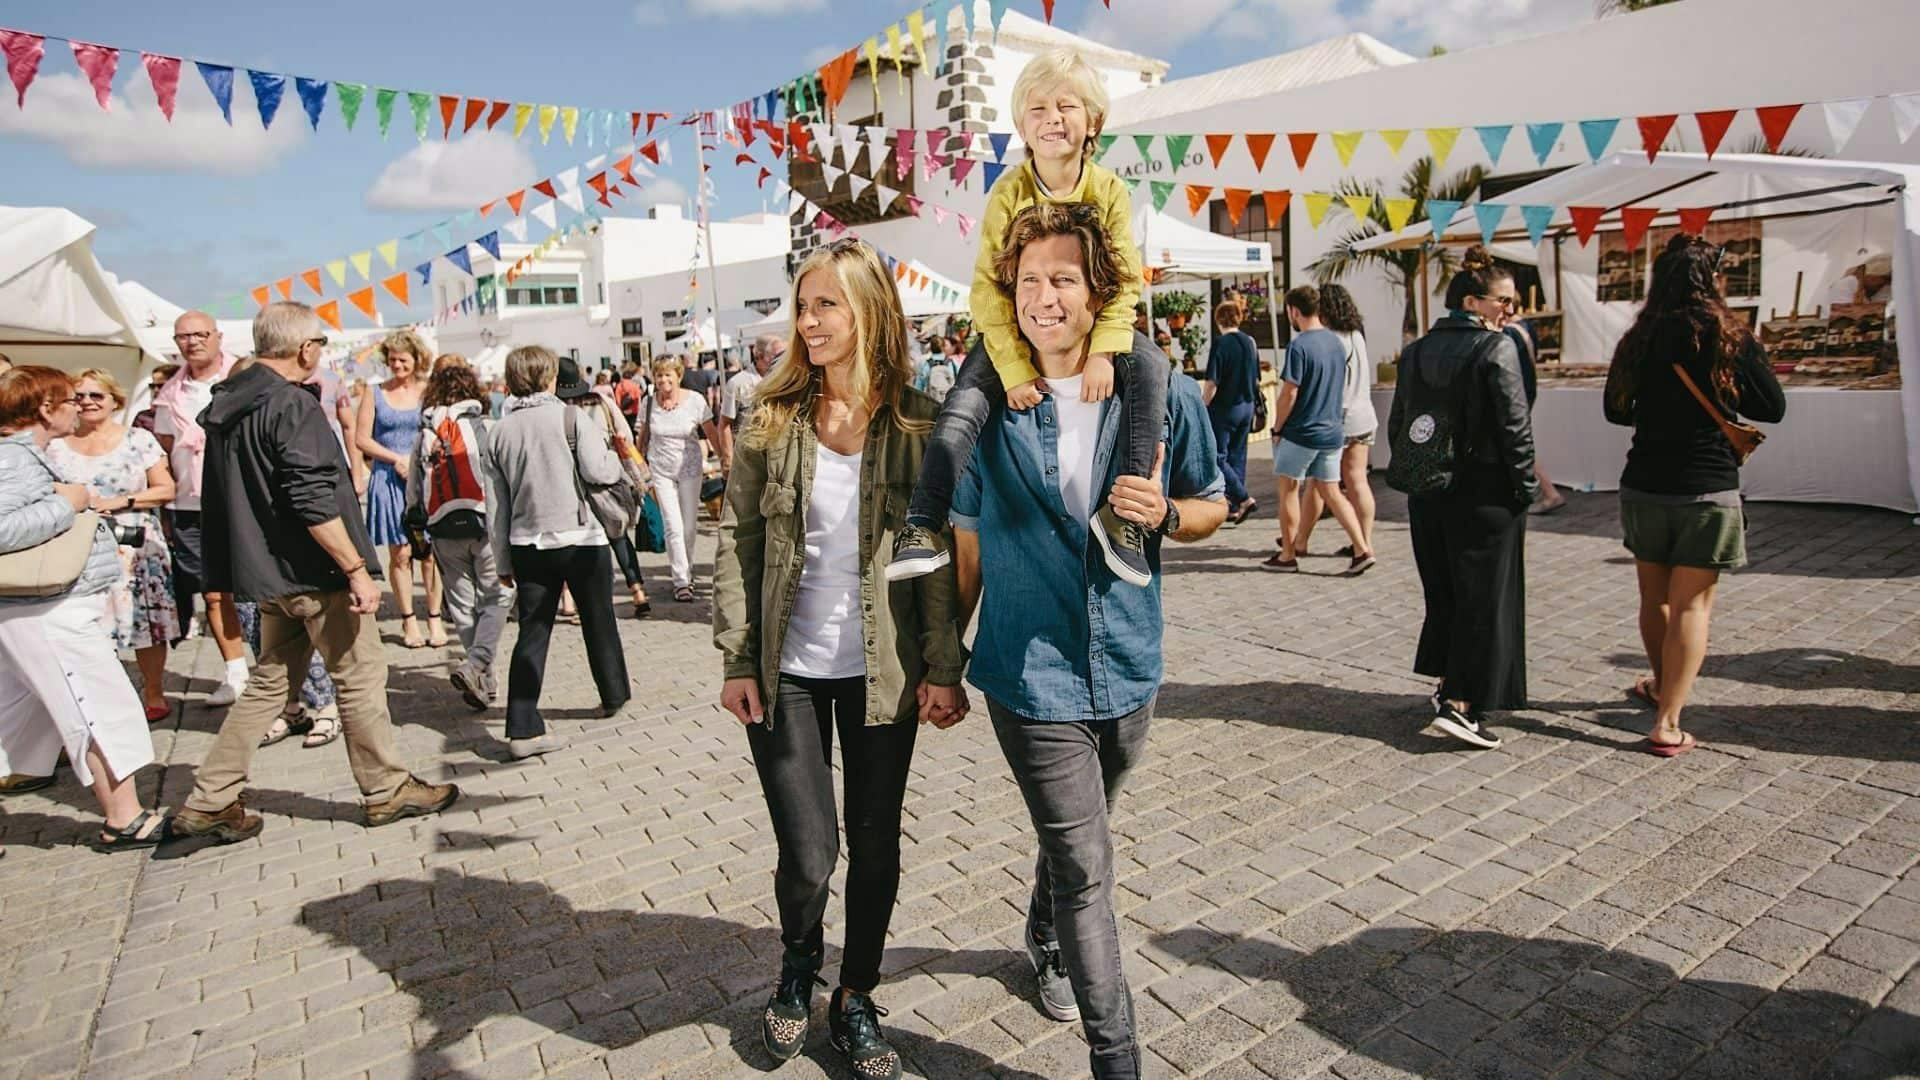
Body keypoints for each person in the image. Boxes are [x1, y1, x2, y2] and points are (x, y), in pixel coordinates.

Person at [951, 204, 1227, 1079]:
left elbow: (1214, 504)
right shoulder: (988, 403)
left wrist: (1172, 515)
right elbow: (964, 543)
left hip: (1131, 665)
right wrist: (938, 664)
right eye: (1028, 281)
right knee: (1088, 867)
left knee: (1084, 835)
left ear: (1098, 290)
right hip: (1027, 675)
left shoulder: (1160, 393)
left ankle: (1043, 920)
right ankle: (1118, 1059)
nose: (1043, 297)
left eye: (1062, 278)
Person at [714, 238, 966, 1079]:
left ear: (869, 313)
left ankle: (855, 994)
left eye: (828, 305)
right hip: (786, 666)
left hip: (883, 671)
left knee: (877, 844)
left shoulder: (918, 421)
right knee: (810, 852)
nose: (810, 321)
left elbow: (929, 559)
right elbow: (739, 539)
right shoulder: (769, 416)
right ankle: (797, 967)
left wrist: (943, 665)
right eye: (803, 305)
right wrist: (738, 657)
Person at [168, 303, 460, 842]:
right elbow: (310, 498)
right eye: (319, 347)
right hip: (312, 570)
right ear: (305, 349)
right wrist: (353, 567)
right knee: (360, 676)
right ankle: (386, 788)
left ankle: (210, 797)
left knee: (270, 683)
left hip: (267, 572)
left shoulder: (231, 402)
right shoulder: (287, 405)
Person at [889, 48, 1159, 589]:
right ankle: (922, 521)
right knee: (963, 403)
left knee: (1151, 367)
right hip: (1012, 331)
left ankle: (1124, 519)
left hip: (1097, 323)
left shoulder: (1108, 190)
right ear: (1021, 125)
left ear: (1093, 122)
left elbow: (1127, 278)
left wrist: (1106, 350)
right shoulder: (1007, 191)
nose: (1052, 118)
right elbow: (988, 286)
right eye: (1037, 109)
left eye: (1066, 106)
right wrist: (1011, 367)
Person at [1604, 235, 1786, 757]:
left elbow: (1616, 411)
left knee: (1654, 599)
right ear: (1714, 281)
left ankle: (1662, 687)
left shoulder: (1638, 337)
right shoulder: (1730, 336)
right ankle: (1667, 720)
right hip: (1706, 485)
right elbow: (1771, 408)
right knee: (1692, 606)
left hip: (1644, 483)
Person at [0, 366, 167, 851]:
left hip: (46, 606)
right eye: (70, 399)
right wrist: (67, 505)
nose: (79, 406)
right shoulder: (13, 459)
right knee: (93, 705)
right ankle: (124, 818)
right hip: (46, 611)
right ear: (45, 408)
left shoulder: (23, 456)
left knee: (38, 712)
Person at [1390, 246, 1539, 751]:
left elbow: (1400, 425)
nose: (1510, 312)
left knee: (1446, 592)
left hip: (1428, 490)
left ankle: (1445, 683)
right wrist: (1526, 488)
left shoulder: (1415, 352)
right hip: (1485, 492)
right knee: (1484, 598)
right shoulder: (1497, 349)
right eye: (1504, 301)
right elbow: (1516, 429)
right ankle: (1462, 703)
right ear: (1473, 302)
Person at [483, 346, 631, 759]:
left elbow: (497, 506)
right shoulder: (572, 417)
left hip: (528, 542)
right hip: (581, 537)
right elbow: (600, 471)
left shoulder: (499, 432)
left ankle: (522, 726)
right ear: (550, 379)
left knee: (533, 632)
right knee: (598, 619)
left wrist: (502, 561)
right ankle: (613, 693)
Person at [47, 369, 180, 723]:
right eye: (79, 396)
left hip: (135, 547)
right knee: (88, 625)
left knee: (145, 624)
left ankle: (153, 690)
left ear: (114, 401)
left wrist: (124, 501)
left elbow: (166, 489)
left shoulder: (139, 439)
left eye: (96, 395)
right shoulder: (56, 445)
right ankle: (101, 697)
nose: (87, 402)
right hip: (79, 549)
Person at [153, 310, 250, 704]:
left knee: (257, 589)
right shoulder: (169, 396)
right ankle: (236, 672)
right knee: (214, 593)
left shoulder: (242, 378)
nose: (192, 342)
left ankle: (278, 671)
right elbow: (162, 450)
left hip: (239, 498)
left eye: (200, 334)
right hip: (189, 503)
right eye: (183, 336)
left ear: (218, 336)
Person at [408, 361, 511, 711]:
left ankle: (484, 680)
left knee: (463, 606)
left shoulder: (425, 433)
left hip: (442, 528)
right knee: (497, 597)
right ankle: (478, 663)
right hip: (484, 523)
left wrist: (418, 530)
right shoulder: (486, 426)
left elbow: (413, 490)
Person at [1265, 286, 1374, 575]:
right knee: (1332, 491)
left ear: (1293, 311)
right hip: (1332, 430)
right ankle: (1362, 549)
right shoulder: (1336, 342)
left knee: (1288, 489)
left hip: (1303, 430)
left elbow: (1290, 393)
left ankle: (1288, 555)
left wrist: (1277, 427)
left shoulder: (1300, 346)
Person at [355, 329, 445, 649]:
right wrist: (396, 458)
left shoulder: (429, 390)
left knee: (430, 553)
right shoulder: (374, 391)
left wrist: (422, 460)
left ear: (416, 359)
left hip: (426, 479)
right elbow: (361, 439)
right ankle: (409, 620)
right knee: (401, 553)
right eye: (392, 360)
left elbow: (442, 430)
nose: (397, 366)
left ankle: (434, 618)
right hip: (389, 478)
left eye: (403, 360)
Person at [555, 357, 654, 618]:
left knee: (575, 544)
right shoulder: (601, 402)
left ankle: (571, 600)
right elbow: (625, 436)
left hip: (570, 485)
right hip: (606, 480)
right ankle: (638, 592)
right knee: (619, 537)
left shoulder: (555, 411)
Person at [1296, 283, 1379, 556]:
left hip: (1336, 417)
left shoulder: (1329, 339)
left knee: (1320, 484)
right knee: (1356, 481)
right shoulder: (1356, 334)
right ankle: (1363, 540)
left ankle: (1307, 542)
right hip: (1364, 415)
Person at [636, 356, 720, 603]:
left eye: (668, 375)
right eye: (659, 375)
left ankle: (688, 568)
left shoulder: (694, 401)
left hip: (690, 469)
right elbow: (642, 437)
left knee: (689, 527)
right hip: (660, 471)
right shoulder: (648, 402)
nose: (663, 380)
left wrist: (726, 461)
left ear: (678, 376)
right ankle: (681, 580)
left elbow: (711, 432)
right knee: (673, 526)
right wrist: (640, 468)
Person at [1201, 300, 1260, 525]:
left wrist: (1202, 406)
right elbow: (1256, 378)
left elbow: (1212, 383)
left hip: (1226, 408)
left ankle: (1243, 498)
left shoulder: (1221, 344)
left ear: (1218, 320)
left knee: (1216, 457)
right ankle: (1234, 506)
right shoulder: (1250, 342)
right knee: (1238, 455)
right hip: (1247, 405)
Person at [1507, 316, 1567, 514]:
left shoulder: (1509, 332)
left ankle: (1549, 492)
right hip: (1527, 388)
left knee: (1519, 443)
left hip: (1517, 392)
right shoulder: (1525, 327)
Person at [718, 333, 783, 471]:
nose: (781, 360)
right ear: (759, 355)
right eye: (776, 356)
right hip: (748, 461)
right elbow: (724, 424)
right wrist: (728, 459)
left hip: (778, 458)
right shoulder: (738, 383)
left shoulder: (783, 380)